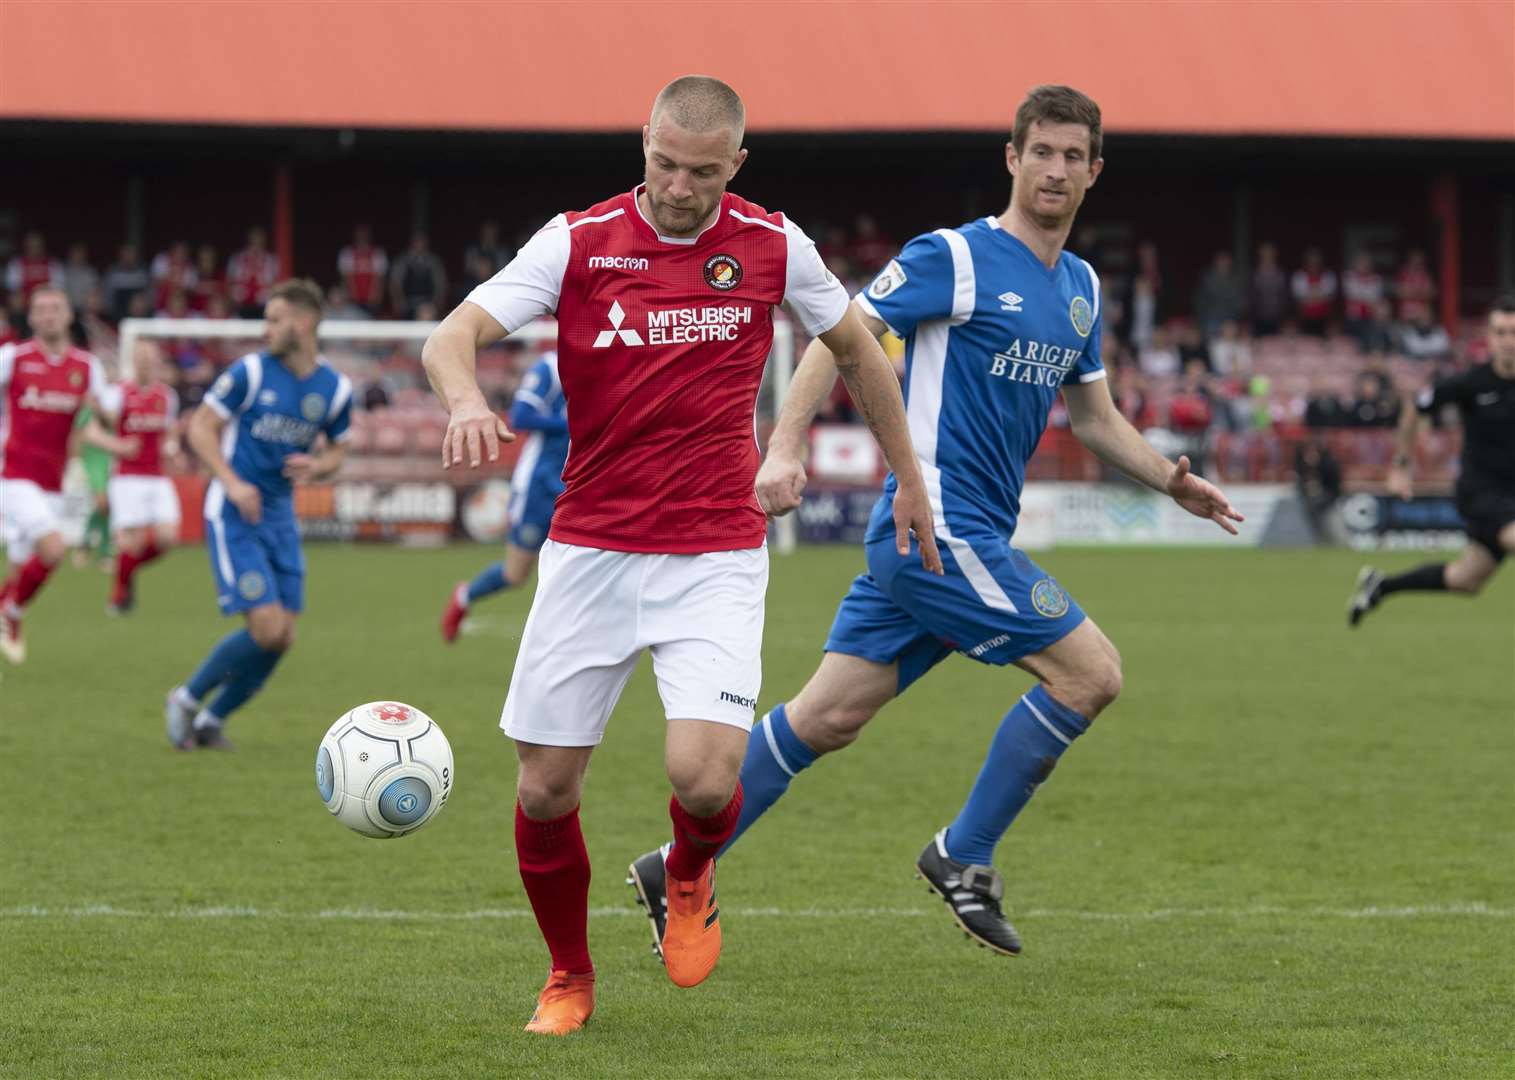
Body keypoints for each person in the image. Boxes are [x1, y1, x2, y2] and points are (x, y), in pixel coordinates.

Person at [622, 84, 1244, 963]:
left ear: (1093, 171)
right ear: (1012, 158)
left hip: (950, 538)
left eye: (1073, 156)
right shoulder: (952, 256)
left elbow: (1095, 420)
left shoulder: (1080, 287)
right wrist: (785, 446)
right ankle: (964, 854)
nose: (1055, 169)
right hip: (939, 528)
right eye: (1041, 152)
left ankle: (672, 865)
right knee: (1090, 674)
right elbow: (842, 338)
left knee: (824, 719)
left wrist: (1171, 482)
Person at [420, 74, 938, 1035]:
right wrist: (462, 399)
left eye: (702, 171)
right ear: (643, 144)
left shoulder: (774, 245)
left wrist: (907, 477)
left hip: (714, 549)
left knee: (702, 780)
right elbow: (454, 334)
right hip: (590, 548)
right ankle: (568, 976)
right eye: (663, 163)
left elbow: (860, 349)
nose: (679, 187)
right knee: (544, 786)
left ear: (735, 164)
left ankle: (690, 871)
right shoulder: (576, 241)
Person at [164, 279, 352, 748]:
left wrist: (318, 464)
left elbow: (338, 454)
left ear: (303, 322)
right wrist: (231, 481)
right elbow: (201, 429)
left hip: (280, 517)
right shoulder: (249, 371)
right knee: (266, 627)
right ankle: (186, 699)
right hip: (233, 513)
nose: (264, 328)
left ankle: (211, 721)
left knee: (283, 636)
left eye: (273, 319)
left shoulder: (335, 389)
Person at [1349, 297, 1515, 625]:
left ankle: (1381, 585)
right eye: (1501, 332)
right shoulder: (1470, 383)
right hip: (1481, 493)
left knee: (1465, 580)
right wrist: (1400, 465)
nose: (1509, 341)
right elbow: (1416, 407)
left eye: (1514, 332)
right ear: (1489, 337)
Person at [0, 287, 124, 662]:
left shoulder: (86, 366)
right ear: (32, 318)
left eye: (55, 308)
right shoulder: (13, 357)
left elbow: (107, 417)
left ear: (69, 315)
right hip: (14, 474)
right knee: (53, 547)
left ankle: (9, 610)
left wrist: (99, 409)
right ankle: (11, 615)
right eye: (41, 309)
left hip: (53, 480)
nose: (49, 315)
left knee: (22, 565)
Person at [439, 350, 568, 642]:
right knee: (516, 574)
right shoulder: (551, 367)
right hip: (539, 485)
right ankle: (464, 597)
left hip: (579, 485)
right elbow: (520, 415)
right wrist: (571, 424)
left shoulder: (610, 360)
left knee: (582, 563)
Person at [88, 340, 182, 614]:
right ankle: (120, 596)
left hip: (157, 476)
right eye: (139, 356)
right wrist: (118, 446)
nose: (144, 361)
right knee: (132, 542)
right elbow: (92, 432)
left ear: (157, 361)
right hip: (127, 478)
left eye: (149, 357)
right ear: (132, 360)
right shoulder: (118, 393)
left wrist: (172, 448)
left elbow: (170, 432)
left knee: (167, 538)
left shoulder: (167, 396)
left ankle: (124, 575)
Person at [337, 225, 388, 316]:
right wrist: (349, 295)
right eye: (360, 235)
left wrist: (377, 296)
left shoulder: (377, 253)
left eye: (364, 235)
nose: (362, 237)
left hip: (372, 300)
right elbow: (346, 278)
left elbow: (379, 278)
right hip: (352, 299)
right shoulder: (347, 253)